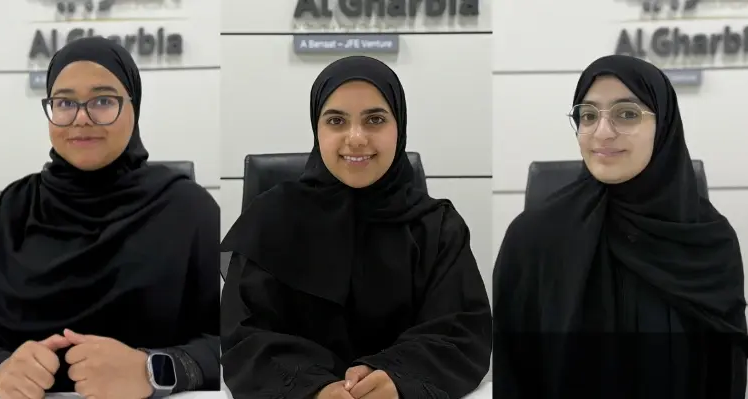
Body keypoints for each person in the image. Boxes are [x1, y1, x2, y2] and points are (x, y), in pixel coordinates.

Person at [0, 37, 220, 397]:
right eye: (65, 102)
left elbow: (237, 341)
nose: (82, 118)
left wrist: (153, 370)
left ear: (134, 107)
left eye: (102, 101)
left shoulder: (188, 211)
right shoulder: (14, 209)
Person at [220, 56, 491, 399]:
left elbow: (463, 331)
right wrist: (314, 388)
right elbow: (244, 336)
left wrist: (395, 376)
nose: (357, 138)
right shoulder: (270, 219)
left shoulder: (437, 227)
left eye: (375, 119)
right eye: (336, 120)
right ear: (317, 130)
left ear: (400, 127)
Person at [492, 54, 748, 399]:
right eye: (588, 115)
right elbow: (514, 374)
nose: (602, 132)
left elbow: (726, 373)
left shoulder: (709, 241)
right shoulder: (534, 239)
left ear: (665, 127)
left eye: (627, 114)